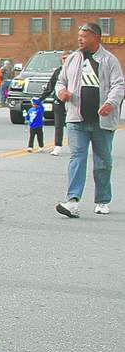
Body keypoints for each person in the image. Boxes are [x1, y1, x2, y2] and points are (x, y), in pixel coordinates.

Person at [54, 23, 124, 218]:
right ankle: (72, 201)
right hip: (77, 118)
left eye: (84, 36)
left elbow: (119, 84)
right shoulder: (73, 59)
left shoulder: (109, 60)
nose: (80, 39)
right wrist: (61, 92)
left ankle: (102, 200)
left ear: (96, 37)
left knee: (103, 162)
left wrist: (111, 102)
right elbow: (61, 80)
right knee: (78, 157)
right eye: (79, 36)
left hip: (102, 121)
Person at [39, 52, 68, 155]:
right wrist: (40, 99)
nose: (65, 60)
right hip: (59, 102)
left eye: (67, 58)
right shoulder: (58, 72)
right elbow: (50, 87)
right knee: (58, 125)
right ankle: (58, 146)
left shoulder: (77, 72)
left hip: (73, 103)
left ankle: (76, 147)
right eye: (64, 58)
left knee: (73, 125)